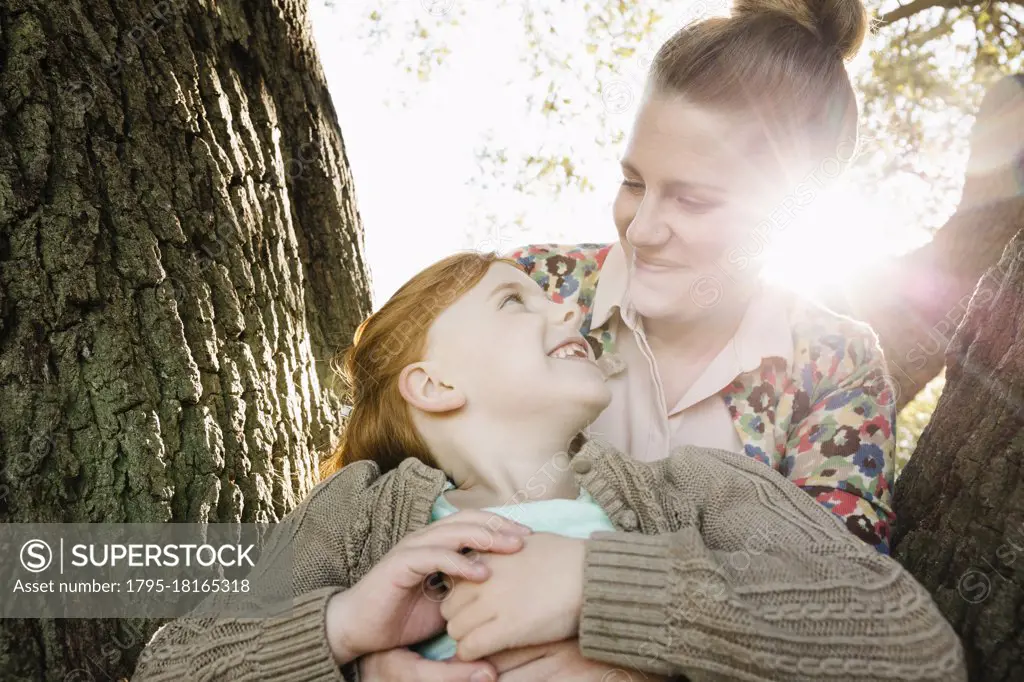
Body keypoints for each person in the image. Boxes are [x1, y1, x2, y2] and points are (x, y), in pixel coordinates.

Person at [132, 251, 965, 682]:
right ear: (433, 383)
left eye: (548, 294)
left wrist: (605, 587)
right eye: (512, 300)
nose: (566, 308)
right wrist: (346, 636)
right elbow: (174, 666)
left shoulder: (697, 487)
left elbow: (912, 649)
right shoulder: (357, 515)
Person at [507, 0, 896, 555]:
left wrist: (596, 591)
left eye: (692, 200)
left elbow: (836, 590)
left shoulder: (836, 364)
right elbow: (384, 492)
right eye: (634, 182)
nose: (640, 232)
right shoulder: (528, 287)